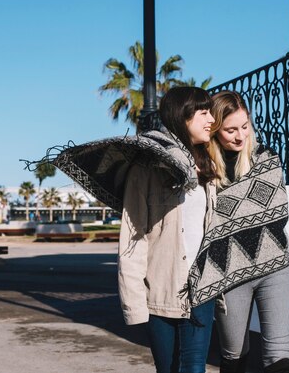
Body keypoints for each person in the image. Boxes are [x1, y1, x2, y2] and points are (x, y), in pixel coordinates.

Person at [186, 90, 289, 373]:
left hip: (275, 267)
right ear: (215, 131)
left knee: (280, 357)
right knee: (234, 356)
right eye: (231, 130)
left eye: (245, 127)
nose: (240, 136)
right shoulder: (203, 170)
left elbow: (279, 212)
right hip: (229, 273)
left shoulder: (266, 159)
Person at [118, 86, 217, 373]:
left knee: (195, 368)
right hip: (159, 294)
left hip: (201, 290)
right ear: (182, 117)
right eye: (203, 113)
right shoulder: (146, 168)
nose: (211, 119)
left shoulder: (208, 166)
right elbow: (133, 238)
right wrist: (134, 303)